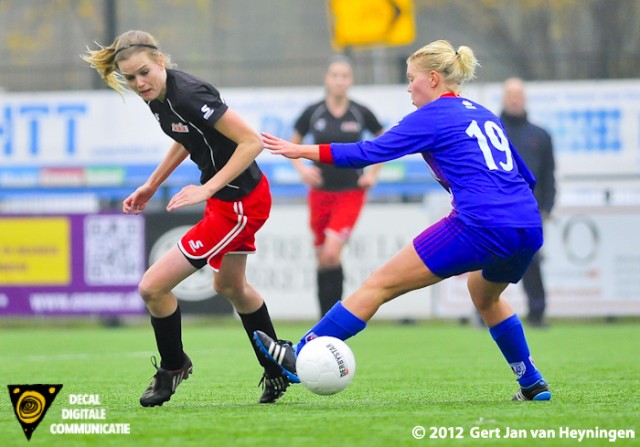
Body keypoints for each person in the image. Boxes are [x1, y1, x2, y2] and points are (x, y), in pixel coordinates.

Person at [255, 40, 552, 401]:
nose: (408, 87)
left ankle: (298, 354)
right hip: (526, 224)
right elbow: (526, 177)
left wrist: (301, 150)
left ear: (432, 78)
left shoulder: (433, 115)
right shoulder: (483, 113)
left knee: (379, 284)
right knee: (484, 294)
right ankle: (531, 381)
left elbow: (368, 152)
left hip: (480, 223)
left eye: (411, 79)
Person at [82, 30, 290, 406]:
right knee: (230, 287)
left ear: (161, 61)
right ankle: (276, 367)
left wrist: (207, 189)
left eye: (144, 72)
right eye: (130, 78)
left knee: (152, 287)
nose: (139, 83)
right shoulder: (160, 97)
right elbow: (186, 137)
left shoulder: (189, 94)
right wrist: (151, 184)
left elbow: (251, 142)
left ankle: (173, 366)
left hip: (240, 204)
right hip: (229, 201)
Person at [290, 55, 384, 317]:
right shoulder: (314, 112)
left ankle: (336, 319)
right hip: (319, 193)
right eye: (335, 75)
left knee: (332, 253)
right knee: (323, 259)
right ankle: (324, 323)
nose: (339, 80)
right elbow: (293, 143)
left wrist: (373, 173)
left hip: (350, 193)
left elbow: (383, 141)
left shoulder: (360, 112)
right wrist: (302, 170)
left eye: (345, 76)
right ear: (327, 79)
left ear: (350, 81)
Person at [501, 77, 556, 328]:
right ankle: (485, 313)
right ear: (504, 98)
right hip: (496, 209)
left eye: (518, 95)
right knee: (488, 260)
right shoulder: (493, 129)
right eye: (510, 94)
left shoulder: (540, 135)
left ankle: (537, 312)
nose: (514, 99)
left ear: (524, 99)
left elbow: (548, 174)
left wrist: (547, 206)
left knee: (532, 261)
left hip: (529, 212)